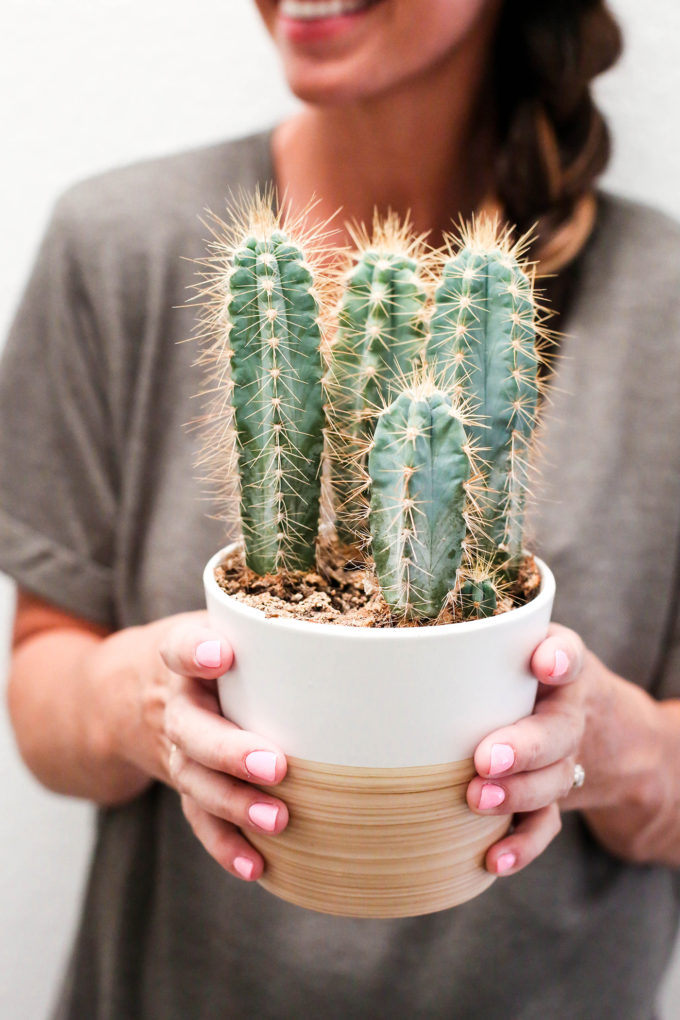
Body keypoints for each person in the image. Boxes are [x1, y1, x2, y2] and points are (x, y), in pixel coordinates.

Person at [3, 1, 680, 1016]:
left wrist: (605, 745)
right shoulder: (120, 242)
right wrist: (146, 704)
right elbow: (42, 686)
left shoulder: (664, 303)